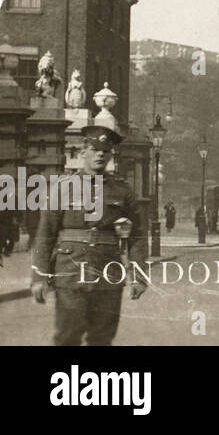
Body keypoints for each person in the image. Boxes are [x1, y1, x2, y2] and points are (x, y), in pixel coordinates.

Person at [30, 125, 147, 345]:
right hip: (69, 274)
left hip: (108, 275)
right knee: (67, 337)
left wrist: (139, 276)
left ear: (111, 154)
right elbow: (45, 233)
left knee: (102, 339)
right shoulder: (63, 188)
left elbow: (138, 236)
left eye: (105, 150)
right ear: (83, 152)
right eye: (94, 149)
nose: (100, 154)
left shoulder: (123, 191)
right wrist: (39, 276)